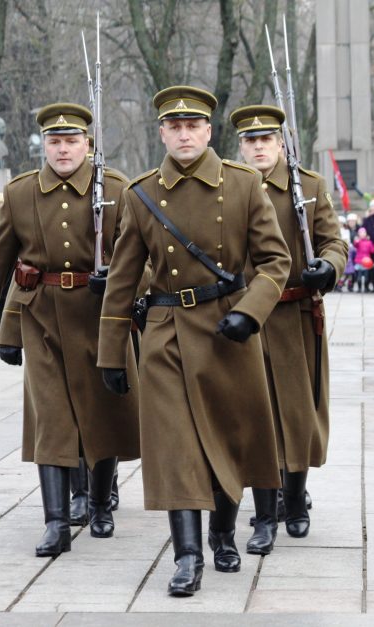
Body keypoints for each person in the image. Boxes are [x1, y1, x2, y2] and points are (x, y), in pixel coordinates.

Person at [97, 85, 290, 597]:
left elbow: (276, 261)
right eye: (174, 127)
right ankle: (187, 556)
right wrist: (111, 352)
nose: (183, 135)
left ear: (208, 131)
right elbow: (122, 279)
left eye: (193, 126)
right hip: (166, 334)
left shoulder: (245, 185)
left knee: (227, 439)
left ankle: (223, 532)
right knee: (175, 446)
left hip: (229, 331)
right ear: (161, 132)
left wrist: (250, 314)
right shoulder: (141, 194)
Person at [0, 102, 141, 557]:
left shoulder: (116, 189)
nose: (62, 150)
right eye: (54, 142)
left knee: (103, 413)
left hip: (101, 317)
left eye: (71, 141)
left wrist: (124, 283)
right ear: (45, 144)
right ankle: (56, 523)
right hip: (40, 318)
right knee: (51, 421)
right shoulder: (22, 193)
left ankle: (99, 502)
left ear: (88, 144)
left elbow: (141, 257)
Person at [229, 103, 348, 554]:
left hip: (296, 315)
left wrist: (329, 267)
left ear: (281, 144)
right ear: (241, 146)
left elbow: (333, 242)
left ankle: (294, 499)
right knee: (255, 413)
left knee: (297, 414)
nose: (258, 147)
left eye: (267, 140)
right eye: (250, 140)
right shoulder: (230, 186)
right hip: (247, 316)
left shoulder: (310, 186)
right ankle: (266, 501)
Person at [352, 227, 374, 292]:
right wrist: (356, 240)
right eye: (361, 233)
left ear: (366, 234)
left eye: (364, 233)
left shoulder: (369, 242)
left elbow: (372, 251)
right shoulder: (358, 241)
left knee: (366, 277)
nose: (362, 234)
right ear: (358, 234)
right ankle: (359, 288)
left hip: (367, 262)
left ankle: (366, 288)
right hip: (359, 261)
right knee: (359, 277)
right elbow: (355, 245)